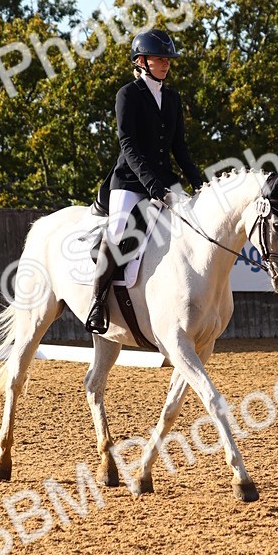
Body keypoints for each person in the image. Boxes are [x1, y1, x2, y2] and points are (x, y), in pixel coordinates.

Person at [84, 29, 204, 334]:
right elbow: (129, 146)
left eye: (168, 59)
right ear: (141, 61)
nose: (166, 64)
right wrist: (153, 187)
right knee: (118, 233)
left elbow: (180, 148)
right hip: (129, 182)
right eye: (159, 58)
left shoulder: (173, 98)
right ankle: (97, 303)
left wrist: (201, 185)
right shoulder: (128, 95)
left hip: (164, 183)